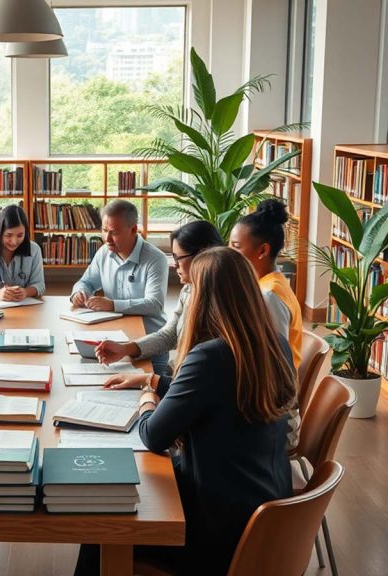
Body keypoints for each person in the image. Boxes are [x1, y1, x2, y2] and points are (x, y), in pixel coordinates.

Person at [76, 247, 296, 576]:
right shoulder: (272, 344)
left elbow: (153, 435)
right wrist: (153, 378)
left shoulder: (210, 356)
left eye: (191, 289)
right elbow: (222, 395)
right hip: (265, 521)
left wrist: (148, 396)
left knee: (102, 527)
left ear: (204, 299)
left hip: (216, 535)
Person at [94, 220, 223, 373]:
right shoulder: (188, 290)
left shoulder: (220, 304)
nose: (175, 265)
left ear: (202, 255)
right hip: (179, 372)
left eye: (178, 258)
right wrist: (125, 349)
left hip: (192, 379)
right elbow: (169, 335)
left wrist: (151, 383)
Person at [69, 199, 169, 373]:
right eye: (104, 230)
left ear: (133, 230)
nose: (107, 238)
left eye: (113, 232)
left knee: (147, 392)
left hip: (148, 345)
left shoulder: (155, 259)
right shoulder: (104, 253)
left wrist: (112, 305)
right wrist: (79, 292)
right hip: (113, 340)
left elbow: (155, 304)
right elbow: (86, 282)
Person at [229, 198, 303, 369]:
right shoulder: (265, 283)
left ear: (263, 250)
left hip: (271, 390)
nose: (230, 253)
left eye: (236, 246)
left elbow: (274, 361)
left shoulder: (269, 295)